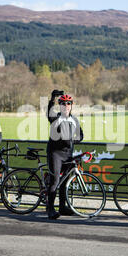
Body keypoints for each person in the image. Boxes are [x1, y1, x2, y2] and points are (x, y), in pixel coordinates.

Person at [46, 90, 84, 219]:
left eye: (68, 103)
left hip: (68, 154)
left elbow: (81, 135)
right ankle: (50, 209)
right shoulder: (55, 118)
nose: (66, 106)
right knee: (55, 181)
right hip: (55, 154)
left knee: (64, 181)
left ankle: (62, 207)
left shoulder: (74, 119)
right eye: (63, 103)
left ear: (71, 105)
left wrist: (72, 140)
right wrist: (52, 98)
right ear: (60, 106)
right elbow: (49, 113)